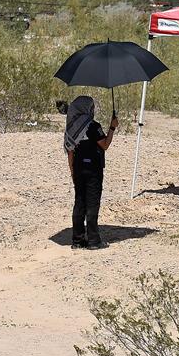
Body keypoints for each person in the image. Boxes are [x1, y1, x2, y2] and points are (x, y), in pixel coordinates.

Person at [64, 96, 118, 251]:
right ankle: (93, 240)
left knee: (79, 203)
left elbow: (70, 153)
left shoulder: (71, 127)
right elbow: (105, 144)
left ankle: (77, 240)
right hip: (93, 170)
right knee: (92, 203)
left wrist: (73, 172)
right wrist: (112, 127)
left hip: (78, 170)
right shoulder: (93, 126)